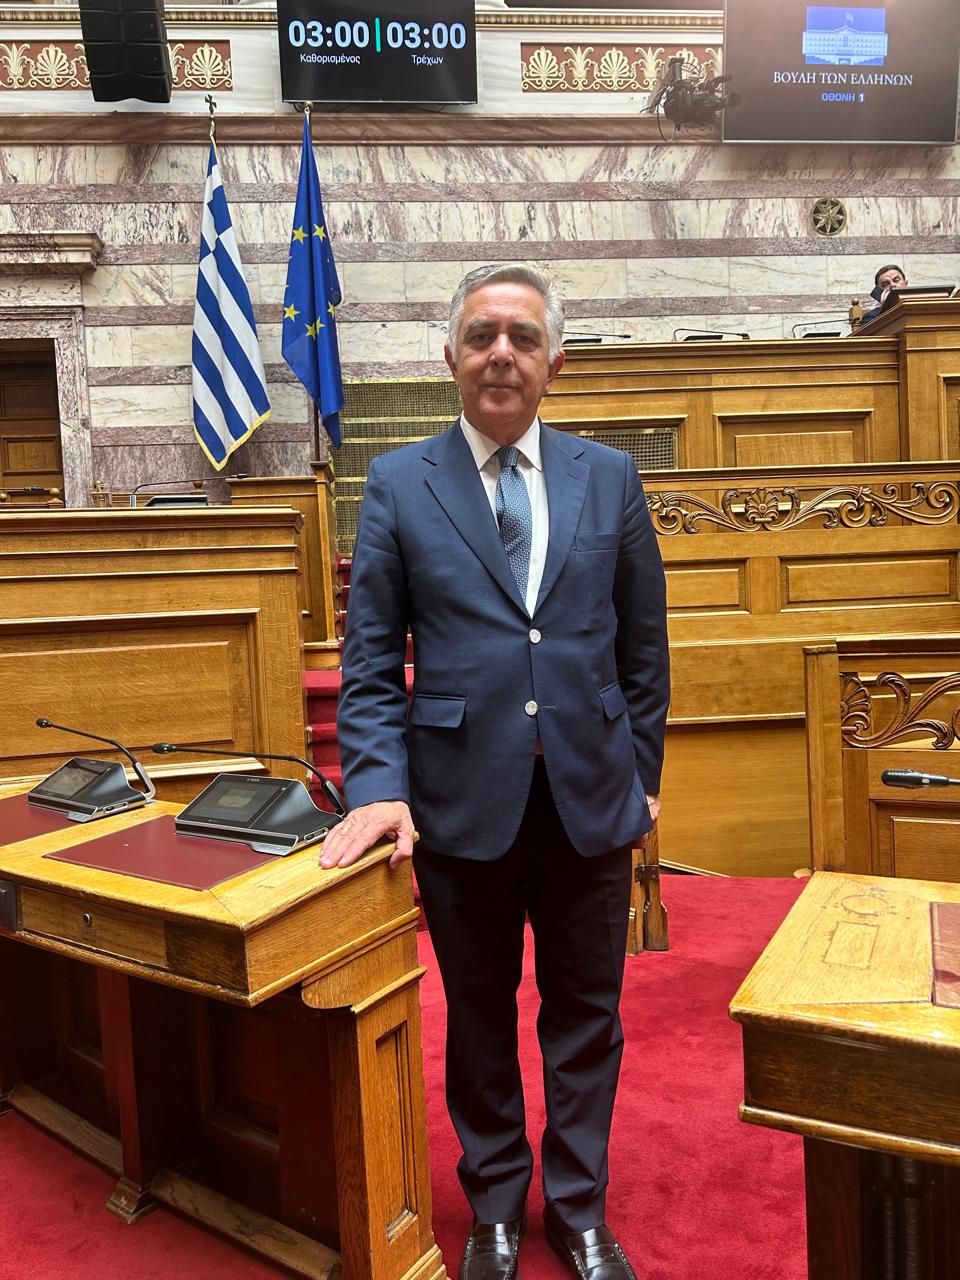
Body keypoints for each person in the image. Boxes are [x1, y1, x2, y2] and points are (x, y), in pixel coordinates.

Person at [319, 263, 670, 1280]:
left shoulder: (610, 476)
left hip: (587, 795)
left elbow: (643, 648)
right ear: (451, 358)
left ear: (555, 361)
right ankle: (497, 1209)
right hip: (458, 799)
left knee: (586, 1016)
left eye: (521, 337)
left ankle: (579, 1207)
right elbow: (370, 665)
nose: (501, 354)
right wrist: (380, 786)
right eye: (481, 336)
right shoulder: (399, 483)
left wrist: (641, 773)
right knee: (477, 1016)